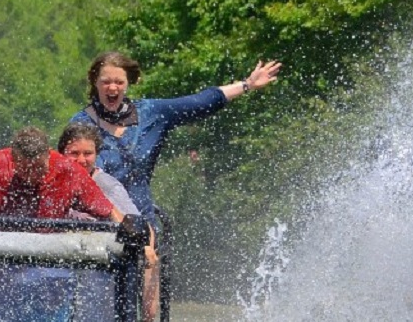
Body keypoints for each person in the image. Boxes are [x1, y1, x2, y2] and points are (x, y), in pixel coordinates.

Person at [72, 51, 281, 218]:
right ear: (95, 83)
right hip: (97, 222)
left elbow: (199, 102)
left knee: (149, 258)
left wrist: (247, 85)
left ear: (129, 83)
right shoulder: (80, 124)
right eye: (106, 82)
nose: (112, 87)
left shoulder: (151, 113)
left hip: (141, 221)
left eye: (119, 82)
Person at [58, 122, 162, 322]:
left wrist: (147, 246)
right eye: (74, 153)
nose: (81, 160)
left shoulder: (107, 185)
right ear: (62, 153)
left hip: (100, 265)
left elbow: (139, 224)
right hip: (63, 261)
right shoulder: (52, 180)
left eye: (88, 153)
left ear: (97, 154)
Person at [0, 127, 123, 224]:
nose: (32, 176)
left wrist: (138, 239)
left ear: (48, 155)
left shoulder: (68, 170)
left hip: (50, 255)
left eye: (38, 168)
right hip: (3, 250)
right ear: (14, 160)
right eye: (25, 170)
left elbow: (109, 211)